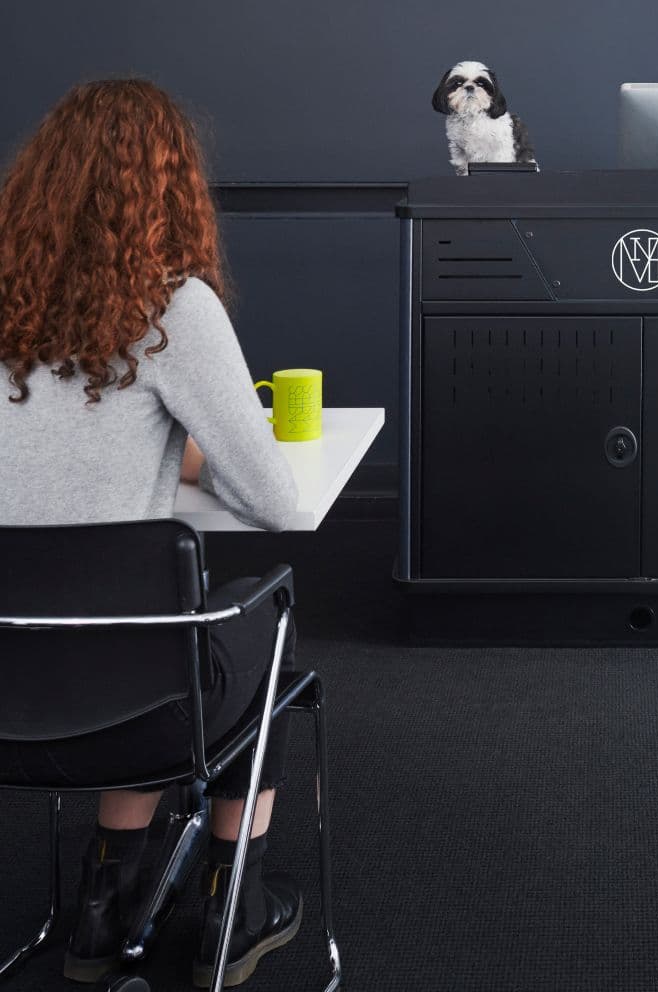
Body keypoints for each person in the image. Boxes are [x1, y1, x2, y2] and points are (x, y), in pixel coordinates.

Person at [0, 78, 302, 987]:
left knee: (124, 622)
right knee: (259, 625)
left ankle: (101, 901)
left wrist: (148, 451)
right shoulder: (170, 306)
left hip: (5, 694)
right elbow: (279, 502)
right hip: (138, 713)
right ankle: (229, 902)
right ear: (167, 187)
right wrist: (189, 446)